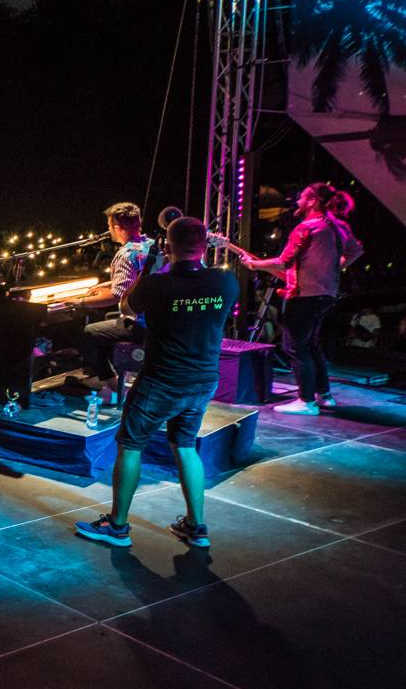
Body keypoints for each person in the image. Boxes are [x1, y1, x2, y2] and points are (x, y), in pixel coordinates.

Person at [75, 217, 238, 550]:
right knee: (186, 445)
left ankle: (117, 526)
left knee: (131, 444)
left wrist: (152, 270)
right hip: (204, 379)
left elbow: (125, 306)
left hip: (161, 380)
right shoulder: (226, 283)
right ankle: (196, 526)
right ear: (205, 246)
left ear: (166, 246)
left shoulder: (156, 284)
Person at [241, 184, 363, 414]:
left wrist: (254, 265)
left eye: (301, 197)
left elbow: (283, 262)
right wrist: (333, 268)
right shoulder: (338, 226)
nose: (297, 201)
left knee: (294, 346)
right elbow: (356, 251)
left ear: (313, 201)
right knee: (311, 345)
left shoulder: (307, 228)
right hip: (326, 295)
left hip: (306, 296)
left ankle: (306, 401)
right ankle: (323, 394)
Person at [73, 202, 155, 397]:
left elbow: (117, 295)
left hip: (142, 325)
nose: (109, 230)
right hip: (159, 322)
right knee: (109, 324)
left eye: (109, 226)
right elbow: (137, 281)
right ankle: (112, 377)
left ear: (117, 228)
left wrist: (80, 302)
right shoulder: (151, 245)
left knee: (87, 333)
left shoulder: (126, 254)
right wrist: (106, 284)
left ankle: (111, 383)